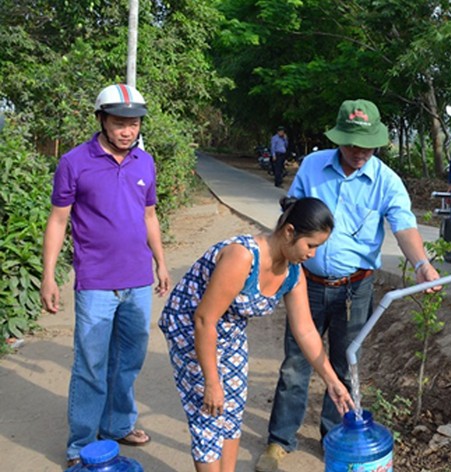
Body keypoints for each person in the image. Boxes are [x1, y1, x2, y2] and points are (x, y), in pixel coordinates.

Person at [256, 99, 441, 471]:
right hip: (305, 283)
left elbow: (404, 226)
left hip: (355, 290)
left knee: (343, 364)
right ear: (339, 138)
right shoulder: (313, 166)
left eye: (367, 145)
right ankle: (280, 440)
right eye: (352, 144)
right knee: (296, 363)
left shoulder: (386, 180)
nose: (359, 152)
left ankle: (333, 436)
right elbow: (290, 217)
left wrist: (421, 264)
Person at [159, 197, 353, 472]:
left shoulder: (293, 273)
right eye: (311, 245)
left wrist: (332, 382)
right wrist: (212, 381)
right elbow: (204, 319)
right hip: (192, 329)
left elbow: (306, 329)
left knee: (232, 410)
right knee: (209, 414)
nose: (313, 254)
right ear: (289, 232)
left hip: (230, 330)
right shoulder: (243, 256)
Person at [40, 84, 171, 468]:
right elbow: (58, 220)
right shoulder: (74, 162)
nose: (127, 131)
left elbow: (149, 216)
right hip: (96, 281)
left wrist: (160, 262)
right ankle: (81, 445)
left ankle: (117, 424)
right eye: (119, 123)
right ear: (101, 120)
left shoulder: (144, 162)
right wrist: (49, 276)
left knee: (128, 360)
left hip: (138, 281)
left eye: (133, 124)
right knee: (91, 364)